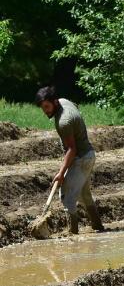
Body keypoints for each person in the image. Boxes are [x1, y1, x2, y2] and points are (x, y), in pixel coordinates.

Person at [36, 86, 104, 235]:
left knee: (66, 194)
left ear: (54, 102)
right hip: (88, 155)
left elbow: (71, 149)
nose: (45, 111)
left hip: (81, 158)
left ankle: (72, 232)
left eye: (47, 107)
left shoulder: (63, 122)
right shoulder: (64, 101)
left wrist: (61, 174)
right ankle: (98, 226)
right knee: (84, 194)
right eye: (43, 108)